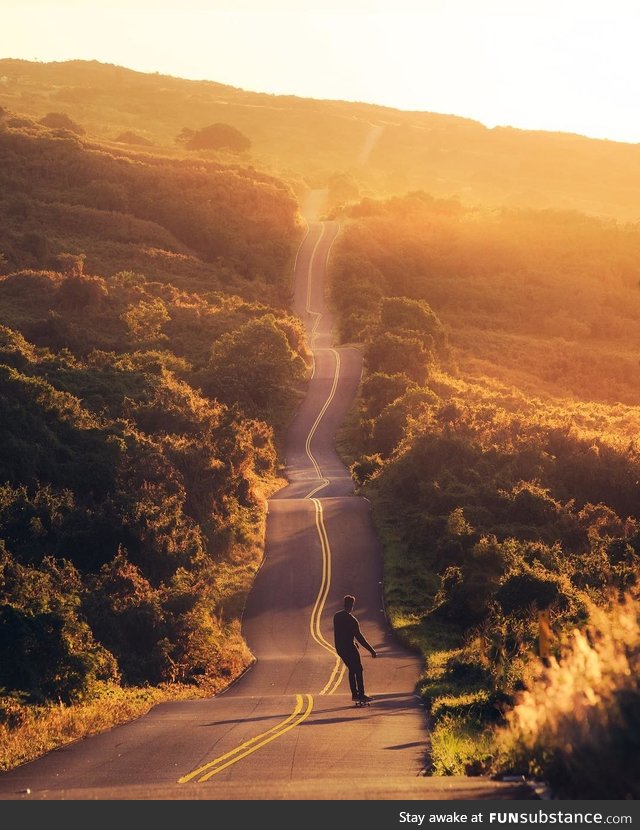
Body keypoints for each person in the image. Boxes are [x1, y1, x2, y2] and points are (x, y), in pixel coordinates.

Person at [333, 594, 377, 702]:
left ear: (344, 604)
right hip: (350, 648)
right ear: (352, 605)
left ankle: (355, 694)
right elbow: (360, 638)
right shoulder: (353, 620)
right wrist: (371, 650)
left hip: (340, 648)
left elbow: (341, 633)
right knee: (358, 669)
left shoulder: (336, 616)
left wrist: (352, 641)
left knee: (352, 669)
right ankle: (361, 694)